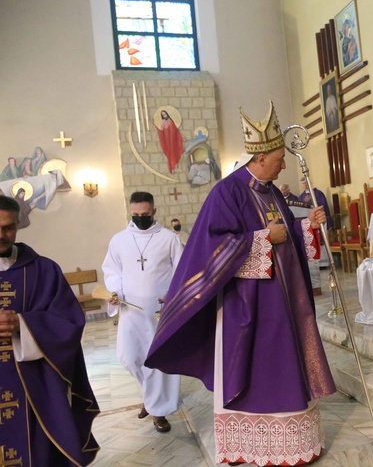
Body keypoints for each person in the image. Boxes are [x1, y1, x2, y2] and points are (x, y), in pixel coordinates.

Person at [145, 104, 335, 466]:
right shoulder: (226, 193)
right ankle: (253, 443)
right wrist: (263, 237)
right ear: (261, 156)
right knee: (257, 369)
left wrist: (305, 225)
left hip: (284, 303)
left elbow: (285, 235)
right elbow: (213, 248)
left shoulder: (271, 191)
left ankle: (291, 441)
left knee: (287, 366)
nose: (283, 165)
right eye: (279, 158)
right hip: (247, 306)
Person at [0, 195, 100, 465]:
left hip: (34, 386)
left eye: (8, 227)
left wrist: (23, 325)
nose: (2, 235)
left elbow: (68, 323)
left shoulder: (43, 270)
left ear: (18, 225)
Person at [102, 191, 183, 433]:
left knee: (159, 360)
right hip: (130, 311)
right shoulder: (119, 240)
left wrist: (174, 295)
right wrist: (115, 291)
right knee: (129, 357)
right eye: (136, 215)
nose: (140, 218)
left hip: (161, 311)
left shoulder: (169, 239)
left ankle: (158, 411)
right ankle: (151, 397)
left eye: (145, 215)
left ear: (154, 212)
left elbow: (181, 271)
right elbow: (112, 270)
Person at [154, 109, 185, 174]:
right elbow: (161, 131)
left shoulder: (171, 121)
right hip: (167, 141)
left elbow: (176, 131)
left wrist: (181, 137)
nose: (164, 115)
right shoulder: (162, 122)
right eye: (163, 115)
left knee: (174, 151)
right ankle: (172, 167)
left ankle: (175, 164)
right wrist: (155, 125)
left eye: (165, 114)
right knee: (170, 154)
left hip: (173, 140)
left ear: (167, 114)